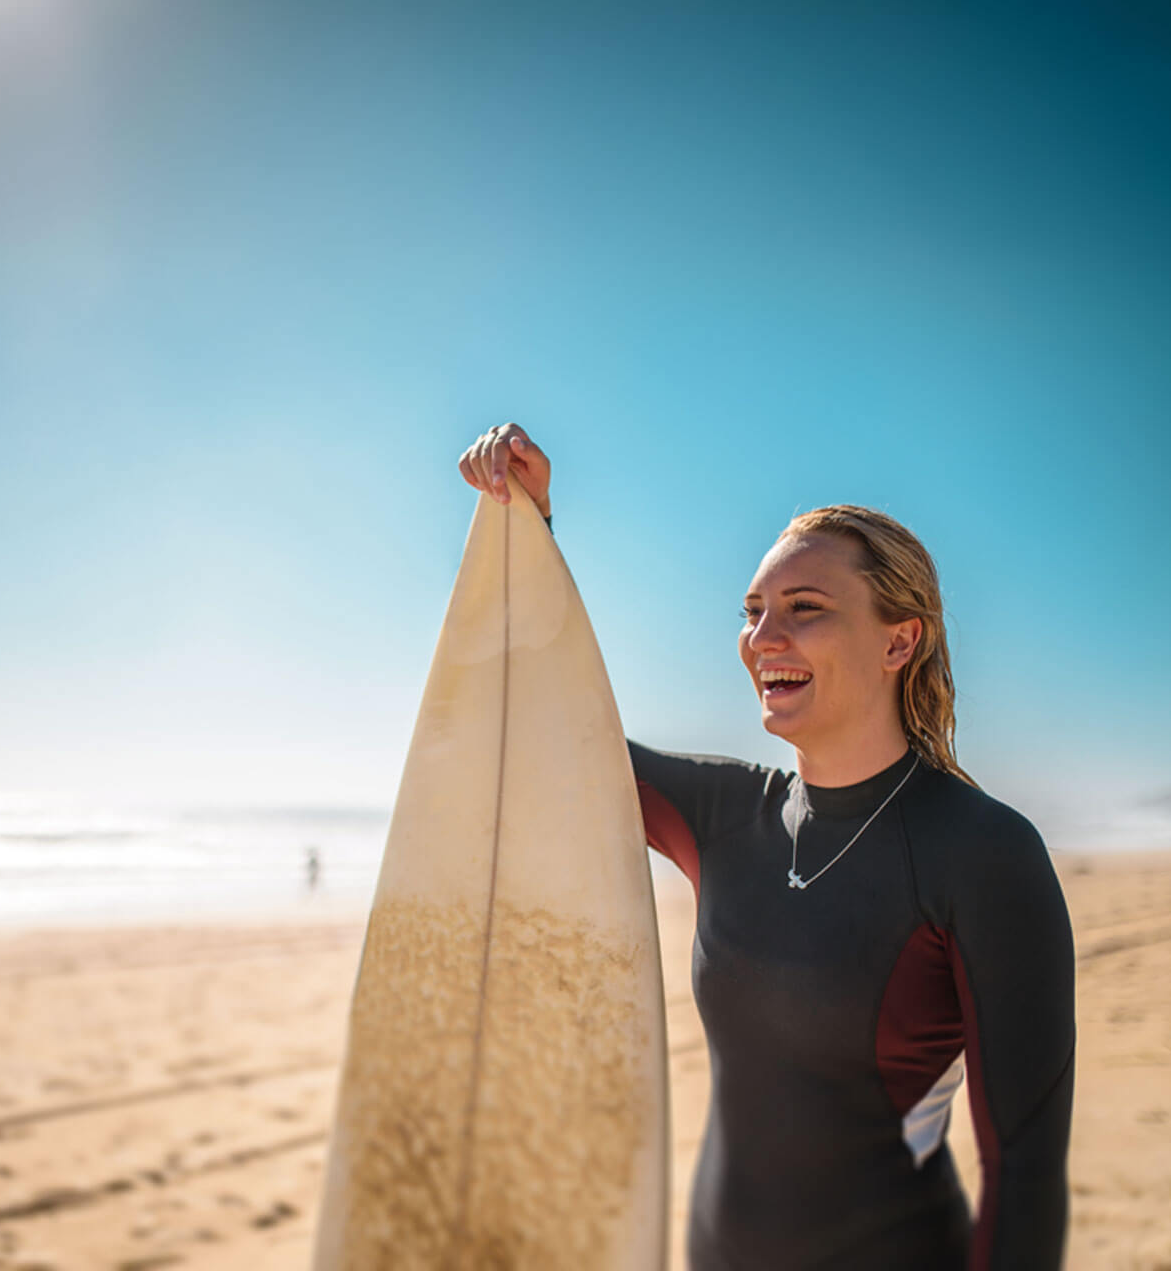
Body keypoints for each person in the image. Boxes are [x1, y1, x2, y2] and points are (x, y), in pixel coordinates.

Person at [456, 424, 1076, 1271]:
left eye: (804, 610)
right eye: (753, 613)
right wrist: (529, 523)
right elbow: (541, 730)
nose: (763, 639)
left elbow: (1027, 1171)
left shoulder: (982, 852)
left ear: (901, 640)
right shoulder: (726, 813)